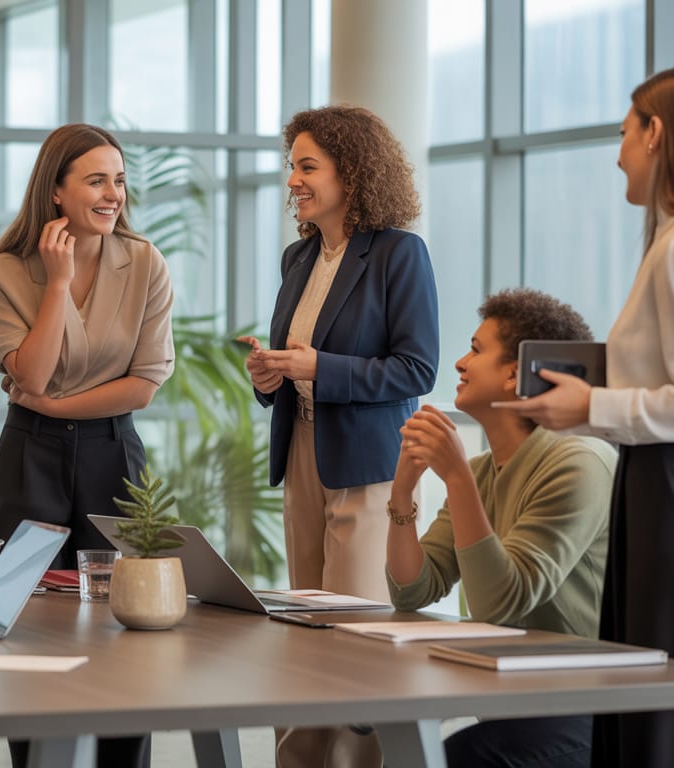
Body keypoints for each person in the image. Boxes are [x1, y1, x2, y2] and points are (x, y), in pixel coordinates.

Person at [498, 64, 674, 768]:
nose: (617, 155)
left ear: (656, 134)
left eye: (624, 134)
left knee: (665, 719)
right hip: (673, 494)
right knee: (667, 717)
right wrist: (587, 400)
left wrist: (590, 404)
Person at [239, 105, 439, 768]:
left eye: (307, 166)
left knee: (356, 634)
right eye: (291, 165)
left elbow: (416, 368)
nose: (292, 179)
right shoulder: (298, 257)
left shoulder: (399, 254)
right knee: (305, 631)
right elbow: (293, 364)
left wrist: (318, 368)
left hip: (366, 464)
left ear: (351, 173)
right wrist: (269, 375)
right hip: (302, 451)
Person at [0, 122, 173, 768]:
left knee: (125, 626)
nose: (114, 194)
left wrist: (58, 406)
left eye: (119, 180)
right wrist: (58, 282)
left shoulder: (144, 262)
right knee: (21, 617)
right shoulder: (7, 270)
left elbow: (143, 385)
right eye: (96, 180)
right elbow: (32, 375)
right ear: (56, 192)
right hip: (28, 459)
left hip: (112, 456)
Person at [386, 288, 616, 768]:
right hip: (517, 697)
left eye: (475, 349)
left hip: (591, 710)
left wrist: (456, 477)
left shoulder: (579, 464)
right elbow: (413, 589)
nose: (459, 363)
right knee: (414, 754)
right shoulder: (482, 472)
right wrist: (402, 494)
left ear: (515, 374)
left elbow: (502, 602)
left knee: (451, 759)